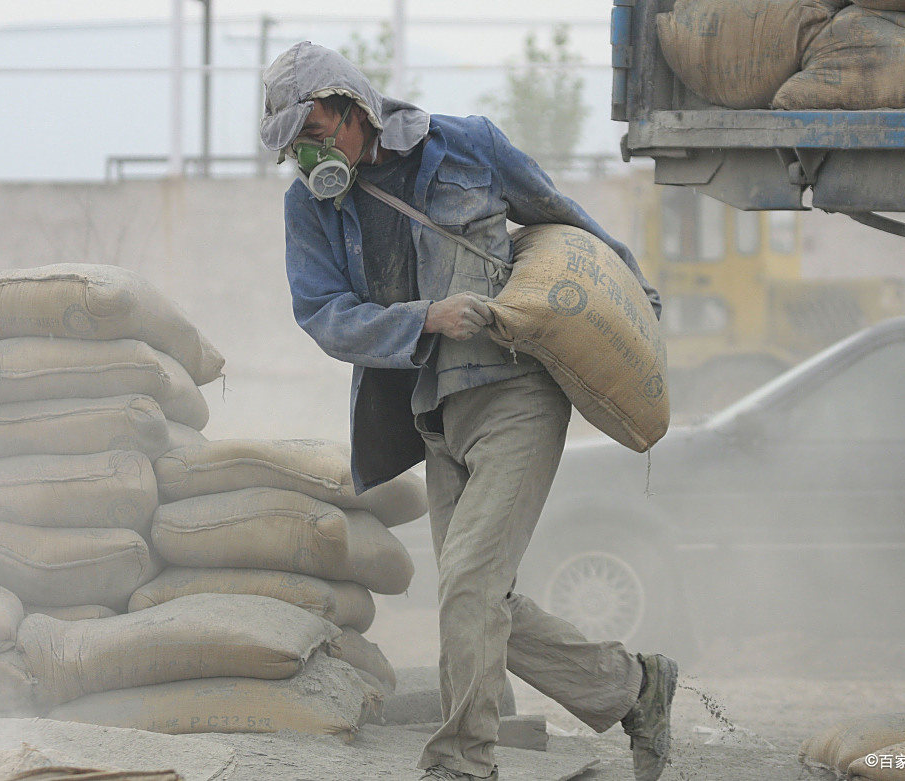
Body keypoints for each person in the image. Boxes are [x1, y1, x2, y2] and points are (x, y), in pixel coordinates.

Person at [260, 41, 677, 781]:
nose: (308, 153)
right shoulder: (310, 206)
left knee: (469, 586)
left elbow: (565, 221)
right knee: (480, 596)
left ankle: (461, 762)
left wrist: (635, 301)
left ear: (357, 109)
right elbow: (323, 314)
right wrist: (425, 318)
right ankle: (635, 688)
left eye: (316, 133)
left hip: (517, 389)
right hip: (432, 411)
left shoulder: (467, 144)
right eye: (295, 145)